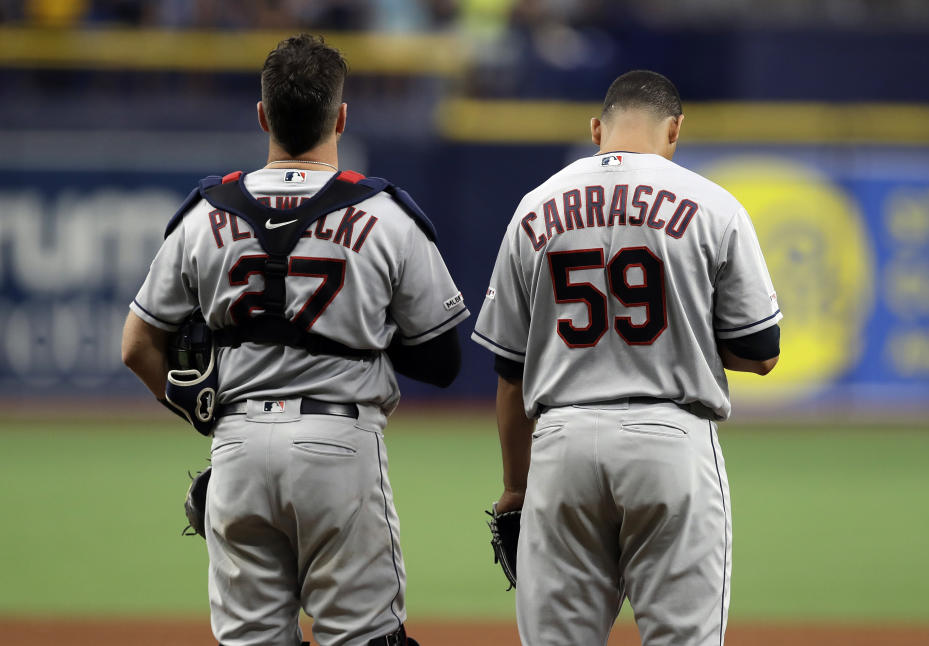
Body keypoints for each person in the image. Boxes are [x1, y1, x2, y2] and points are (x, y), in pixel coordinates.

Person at [121, 34, 469, 646]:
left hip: (238, 448)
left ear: (263, 117)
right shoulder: (385, 214)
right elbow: (442, 360)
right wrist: (362, 328)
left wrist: (201, 411)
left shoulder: (207, 212)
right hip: (340, 445)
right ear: (340, 117)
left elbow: (136, 346)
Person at [472, 70, 781, 646]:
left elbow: (510, 373)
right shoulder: (714, 205)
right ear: (675, 131)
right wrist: (682, 334)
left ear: (596, 129)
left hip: (560, 445)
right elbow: (761, 351)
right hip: (671, 439)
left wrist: (516, 487)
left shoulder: (535, 207)